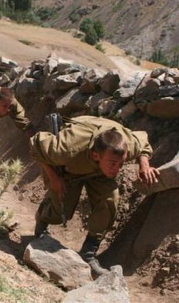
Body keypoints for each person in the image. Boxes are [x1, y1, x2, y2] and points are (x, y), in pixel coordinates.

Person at [29, 115, 159, 277]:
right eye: (113, 164)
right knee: (62, 209)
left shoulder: (126, 146)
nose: (118, 170)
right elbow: (35, 143)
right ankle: (42, 224)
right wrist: (54, 178)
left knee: (110, 199)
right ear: (96, 156)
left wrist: (144, 165)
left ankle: (88, 253)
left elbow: (143, 140)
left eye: (121, 164)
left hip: (100, 170)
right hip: (72, 167)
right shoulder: (64, 149)